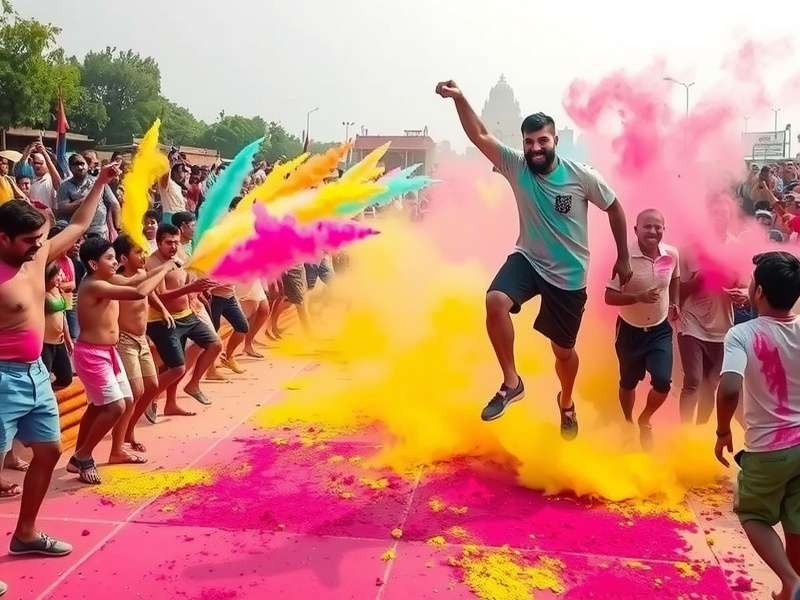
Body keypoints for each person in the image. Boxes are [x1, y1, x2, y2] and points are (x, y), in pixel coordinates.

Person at [435, 79, 632, 436]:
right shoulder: (516, 166)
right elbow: (480, 135)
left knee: (563, 353)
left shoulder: (582, 176)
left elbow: (615, 208)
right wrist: (460, 98)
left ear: (555, 140)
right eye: (529, 142)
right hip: (529, 259)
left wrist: (624, 258)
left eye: (543, 141)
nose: (536, 148)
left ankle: (566, 402)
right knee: (495, 300)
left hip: (568, 275)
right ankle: (512, 382)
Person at [0, 164, 119, 589]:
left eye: (40, 238)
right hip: (2, 380)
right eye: (29, 240)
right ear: (3, 238)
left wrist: (100, 183)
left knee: (49, 452)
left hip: (36, 374)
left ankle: (26, 534)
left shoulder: (37, 257)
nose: (38, 245)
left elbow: (82, 224)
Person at [715, 251, 800, 600]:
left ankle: (790, 580)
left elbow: (729, 388)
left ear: (759, 291)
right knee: (796, 521)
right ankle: (793, 587)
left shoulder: (742, 334)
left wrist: (723, 430)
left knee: (752, 513)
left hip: (768, 448)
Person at [66, 237, 176, 484]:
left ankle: (78, 456)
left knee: (116, 402)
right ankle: (84, 456)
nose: (115, 262)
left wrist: (156, 268)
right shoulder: (94, 285)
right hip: (92, 354)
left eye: (115, 257)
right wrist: (165, 269)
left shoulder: (108, 279)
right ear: (93, 264)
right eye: (109, 258)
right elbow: (138, 291)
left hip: (109, 352)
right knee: (115, 406)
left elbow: (134, 280)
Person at [604, 209, 679, 449]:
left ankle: (644, 420)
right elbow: (609, 296)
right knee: (628, 382)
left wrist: (675, 303)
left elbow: (675, 278)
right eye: (647, 226)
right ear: (636, 230)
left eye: (658, 227)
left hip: (659, 330)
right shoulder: (624, 258)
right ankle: (627, 422)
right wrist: (638, 297)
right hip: (630, 331)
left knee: (662, 382)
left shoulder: (671, 254)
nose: (653, 231)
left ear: (664, 230)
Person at [678, 198, 746, 424]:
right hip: (691, 322)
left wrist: (741, 294)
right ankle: (684, 433)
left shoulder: (737, 247)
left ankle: (699, 429)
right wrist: (698, 280)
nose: (719, 217)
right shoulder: (688, 249)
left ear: (730, 217)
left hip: (722, 325)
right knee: (693, 380)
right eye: (714, 213)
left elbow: (745, 285)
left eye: (723, 213)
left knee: (711, 383)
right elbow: (677, 290)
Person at [146, 224, 220, 415]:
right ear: (158, 242)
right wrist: (190, 288)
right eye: (169, 243)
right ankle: (148, 398)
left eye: (176, 242)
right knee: (175, 367)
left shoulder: (180, 256)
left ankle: (190, 387)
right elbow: (160, 296)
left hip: (187, 315)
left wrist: (199, 289)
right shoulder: (153, 263)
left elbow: (188, 280)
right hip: (164, 321)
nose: (173, 246)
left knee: (215, 344)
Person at [112, 235, 172, 450]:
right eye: (138, 252)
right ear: (123, 258)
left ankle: (128, 431)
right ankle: (121, 437)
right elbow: (140, 291)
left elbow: (149, 291)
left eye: (144, 251)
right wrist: (165, 268)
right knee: (136, 391)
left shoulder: (141, 273)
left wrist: (162, 309)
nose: (143, 256)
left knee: (153, 386)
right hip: (125, 339)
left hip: (141, 338)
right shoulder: (117, 279)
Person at [56, 154, 120, 239]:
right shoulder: (65, 186)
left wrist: (118, 228)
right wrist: (89, 198)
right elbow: (63, 209)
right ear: (70, 168)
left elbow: (114, 204)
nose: (80, 167)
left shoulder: (99, 181)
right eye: (75, 164)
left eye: (82, 164)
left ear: (87, 165)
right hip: (77, 234)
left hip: (99, 231)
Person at [42, 262, 73, 389]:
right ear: (48, 276)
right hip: (44, 344)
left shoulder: (57, 289)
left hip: (59, 341)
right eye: (57, 276)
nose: (60, 278)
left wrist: (68, 339)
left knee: (66, 378)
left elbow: (62, 315)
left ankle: (51, 394)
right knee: (43, 378)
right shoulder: (39, 292)